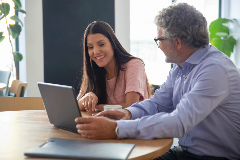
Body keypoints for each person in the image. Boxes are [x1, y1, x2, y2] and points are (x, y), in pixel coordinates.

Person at [75, 3, 240, 160]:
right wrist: (129, 113)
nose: (158, 46)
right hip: (183, 152)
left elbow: (179, 122)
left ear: (177, 42)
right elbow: (157, 104)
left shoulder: (215, 70)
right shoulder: (180, 67)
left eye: (159, 40)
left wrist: (116, 129)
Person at [77, 21, 152, 112]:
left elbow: (131, 107)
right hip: (106, 125)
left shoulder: (134, 65)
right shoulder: (94, 71)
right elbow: (76, 106)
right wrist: (87, 98)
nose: (96, 51)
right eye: (90, 47)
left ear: (112, 44)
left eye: (101, 44)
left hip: (134, 125)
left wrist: (96, 106)